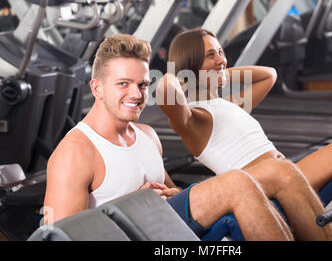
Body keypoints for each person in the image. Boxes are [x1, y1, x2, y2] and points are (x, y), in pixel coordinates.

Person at [43, 33, 299, 241]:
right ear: (97, 88)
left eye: (142, 85)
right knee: (238, 183)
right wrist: (134, 203)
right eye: (123, 84)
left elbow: (171, 193)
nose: (136, 94)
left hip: (172, 234)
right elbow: (61, 235)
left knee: (267, 180)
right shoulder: (76, 152)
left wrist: (174, 193)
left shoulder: (148, 136)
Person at [157, 27, 332, 240]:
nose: (221, 59)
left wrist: (220, 70)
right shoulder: (195, 119)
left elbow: (269, 75)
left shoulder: (229, 103)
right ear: (190, 64)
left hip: (288, 171)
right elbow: (166, 92)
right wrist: (181, 74)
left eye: (221, 51)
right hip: (264, 186)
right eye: (211, 54)